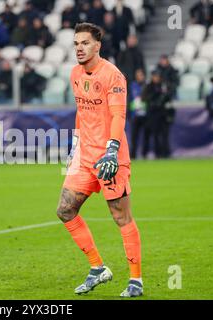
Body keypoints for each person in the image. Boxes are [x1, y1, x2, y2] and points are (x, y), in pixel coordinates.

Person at [57, 23, 142, 298]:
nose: (79, 48)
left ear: (97, 46)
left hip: (110, 157)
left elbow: (118, 116)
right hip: (85, 156)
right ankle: (98, 268)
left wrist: (112, 150)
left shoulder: (113, 76)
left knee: (120, 216)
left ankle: (136, 280)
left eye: (84, 43)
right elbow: (81, 111)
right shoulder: (74, 73)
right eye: (76, 43)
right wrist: (75, 144)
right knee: (65, 209)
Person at [141, 70, 172, 158]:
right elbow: (144, 98)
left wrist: (164, 96)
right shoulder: (149, 86)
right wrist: (156, 95)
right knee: (153, 135)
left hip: (162, 113)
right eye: (155, 76)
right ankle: (152, 153)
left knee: (163, 135)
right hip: (152, 114)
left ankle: (164, 153)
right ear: (152, 77)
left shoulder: (163, 85)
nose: (157, 78)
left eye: (158, 76)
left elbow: (168, 97)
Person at [129, 69, 150, 159]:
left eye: (141, 75)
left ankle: (144, 154)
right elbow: (129, 99)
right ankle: (133, 155)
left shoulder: (147, 86)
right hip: (135, 115)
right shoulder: (132, 86)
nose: (139, 77)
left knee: (146, 136)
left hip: (145, 115)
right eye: (138, 75)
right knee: (134, 137)